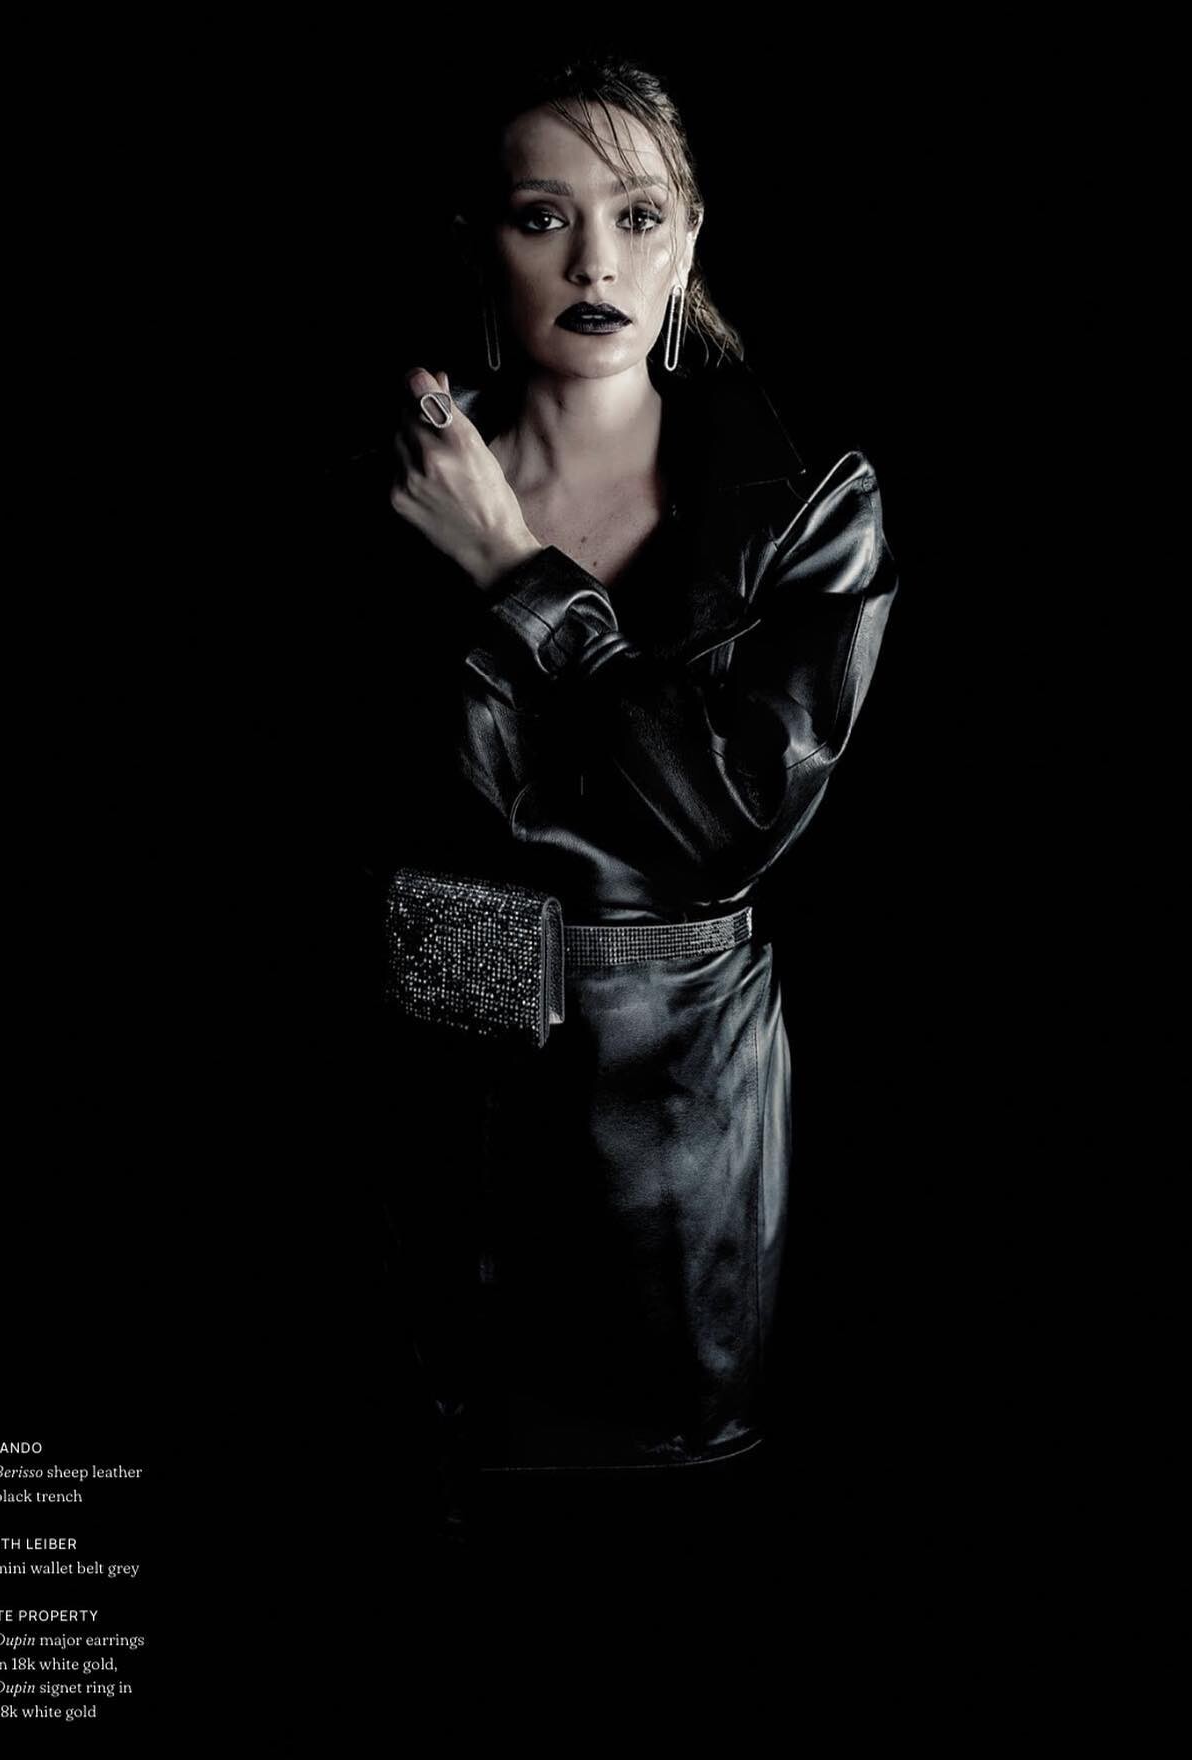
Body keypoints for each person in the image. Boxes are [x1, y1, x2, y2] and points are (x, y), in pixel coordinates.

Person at [333, 54, 899, 1556]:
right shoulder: (380, 490)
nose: (596, 261)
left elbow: (723, 826)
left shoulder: (805, 504)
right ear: (480, 241)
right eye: (544, 216)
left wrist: (518, 575)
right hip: (428, 1104)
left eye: (638, 215)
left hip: (674, 1119)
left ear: (690, 239)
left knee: (663, 1530)